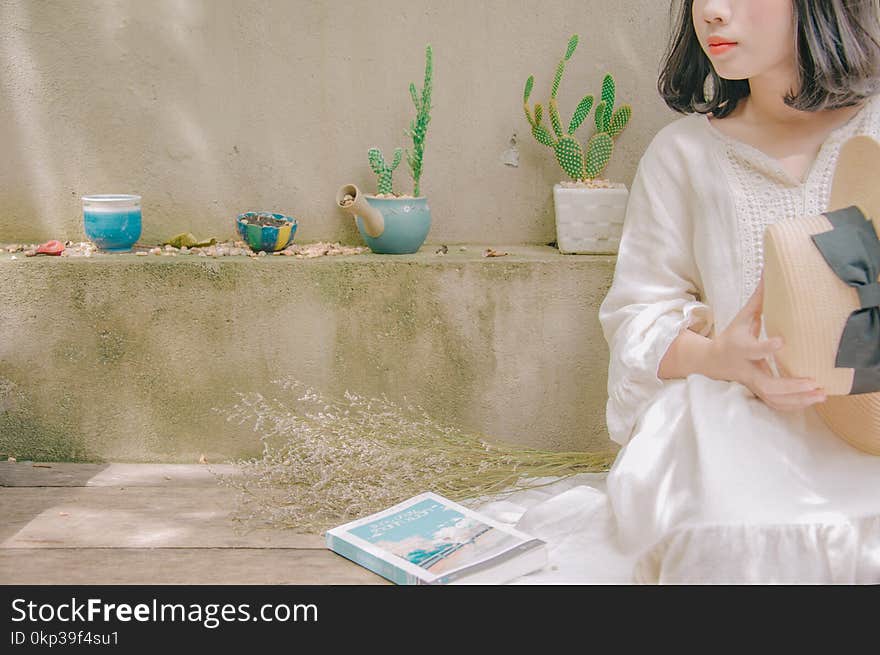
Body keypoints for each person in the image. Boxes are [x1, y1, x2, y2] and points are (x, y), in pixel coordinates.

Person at [477, 0, 880, 583]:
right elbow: (637, 314)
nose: (713, 12)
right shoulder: (683, 152)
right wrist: (724, 358)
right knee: (736, 537)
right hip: (737, 418)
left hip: (868, 414)